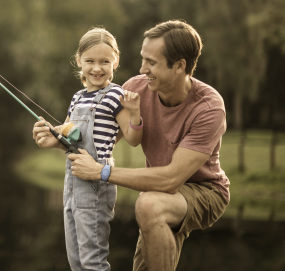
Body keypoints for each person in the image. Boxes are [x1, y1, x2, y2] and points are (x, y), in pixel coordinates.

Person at [60, 20, 229, 271]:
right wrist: (56, 138)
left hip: (203, 190)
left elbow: (171, 179)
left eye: (152, 62)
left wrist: (101, 172)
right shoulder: (135, 90)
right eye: (143, 59)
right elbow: (99, 139)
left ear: (179, 66)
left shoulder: (208, 107)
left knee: (148, 204)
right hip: (158, 191)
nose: (142, 68)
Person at [33, 27, 143, 271]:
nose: (97, 68)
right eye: (90, 61)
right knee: (76, 261)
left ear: (115, 62)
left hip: (96, 185)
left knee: (93, 261)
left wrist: (135, 113)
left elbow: (134, 139)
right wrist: (52, 136)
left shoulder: (116, 95)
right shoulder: (77, 97)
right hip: (71, 183)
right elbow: (72, 136)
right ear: (79, 61)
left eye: (105, 61)